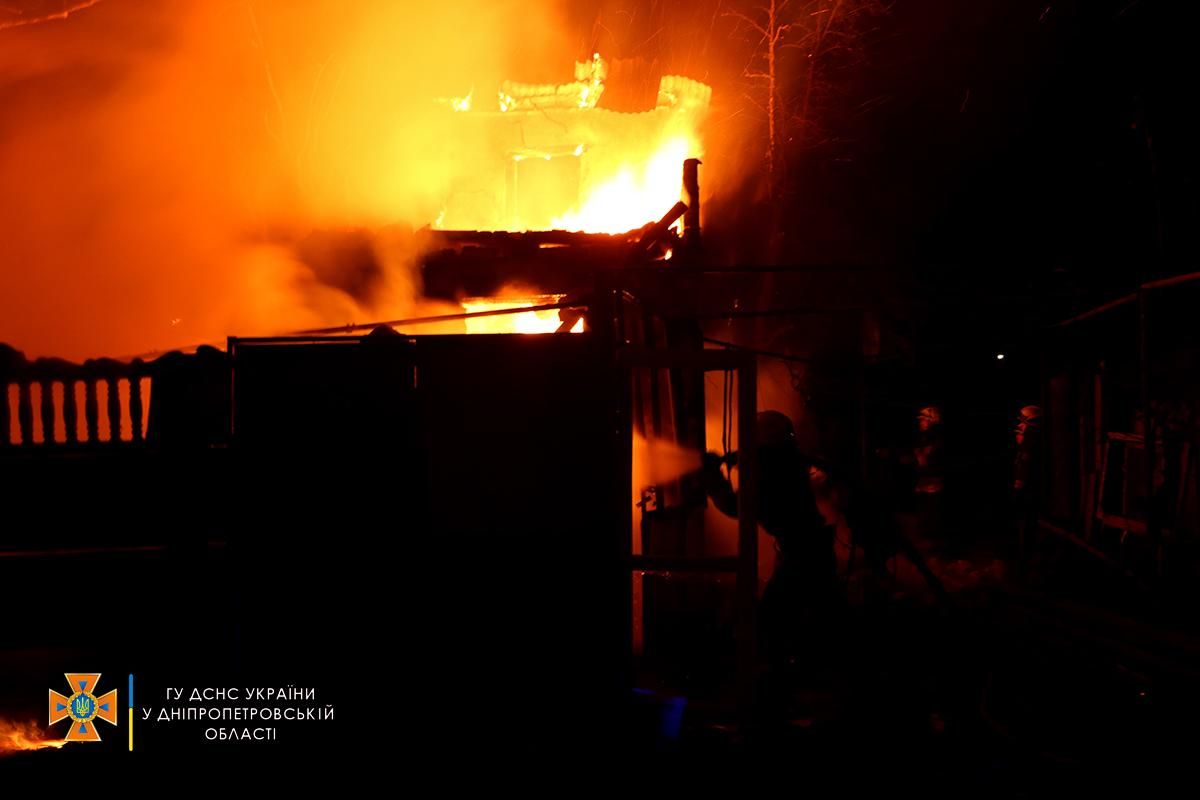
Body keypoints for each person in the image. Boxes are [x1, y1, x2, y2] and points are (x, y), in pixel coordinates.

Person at [701, 410, 838, 670]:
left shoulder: (772, 468)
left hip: (802, 554)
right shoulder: (787, 460)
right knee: (813, 615)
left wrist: (711, 476)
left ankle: (778, 682)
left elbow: (736, 506)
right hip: (811, 549)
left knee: (774, 621)